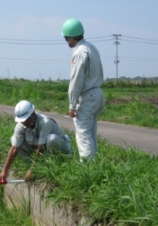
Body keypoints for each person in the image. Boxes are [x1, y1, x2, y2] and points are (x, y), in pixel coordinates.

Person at [61, 18, 105, 162]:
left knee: (83, 134)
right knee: (91, 132)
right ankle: (95, 164)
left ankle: (87, 169)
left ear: (70, 37)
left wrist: (71, 105)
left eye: (66, 38)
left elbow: (76, 80)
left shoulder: (79, 52)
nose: (67, 41)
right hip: (97, 93)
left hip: (87, 96)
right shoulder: (92, 48)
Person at [0, 100, 72, 182]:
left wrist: (32, 169)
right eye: (22, 121)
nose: (23, 123)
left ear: (33, 114)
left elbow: (41, 147)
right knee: (15, 141)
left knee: (51, 139)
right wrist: (4, 170)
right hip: (43, 153)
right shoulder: (20, 126)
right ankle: (34, 165)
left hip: (60, 150)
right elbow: (14, 149)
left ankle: (52, 165)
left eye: (25, 120)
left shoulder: (45, 122)